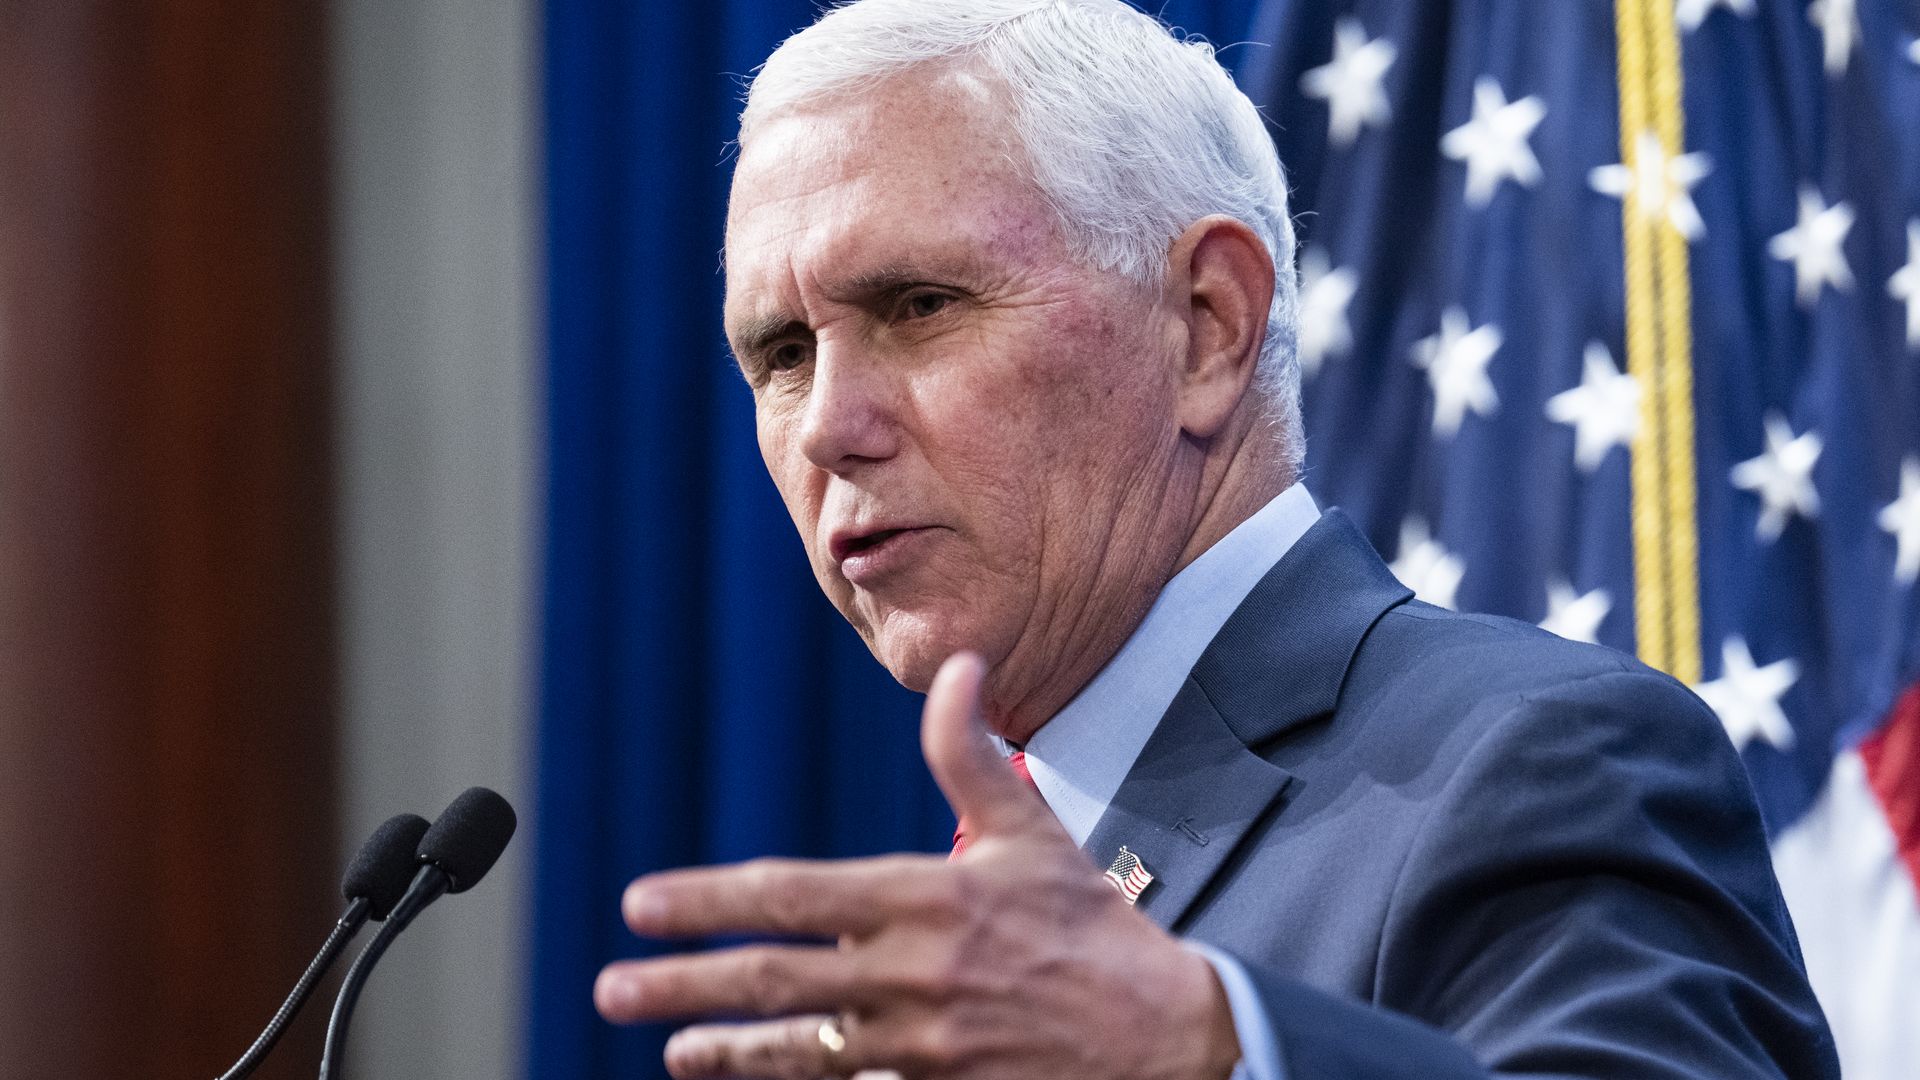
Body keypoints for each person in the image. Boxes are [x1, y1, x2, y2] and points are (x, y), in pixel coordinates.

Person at [593, 1, 1840, 1077]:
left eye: (921, 306)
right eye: (781, 354)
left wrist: (1215, 1047)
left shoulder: (1537, 760)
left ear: (1206, 326)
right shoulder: (1007, 890)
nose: (829, 429)